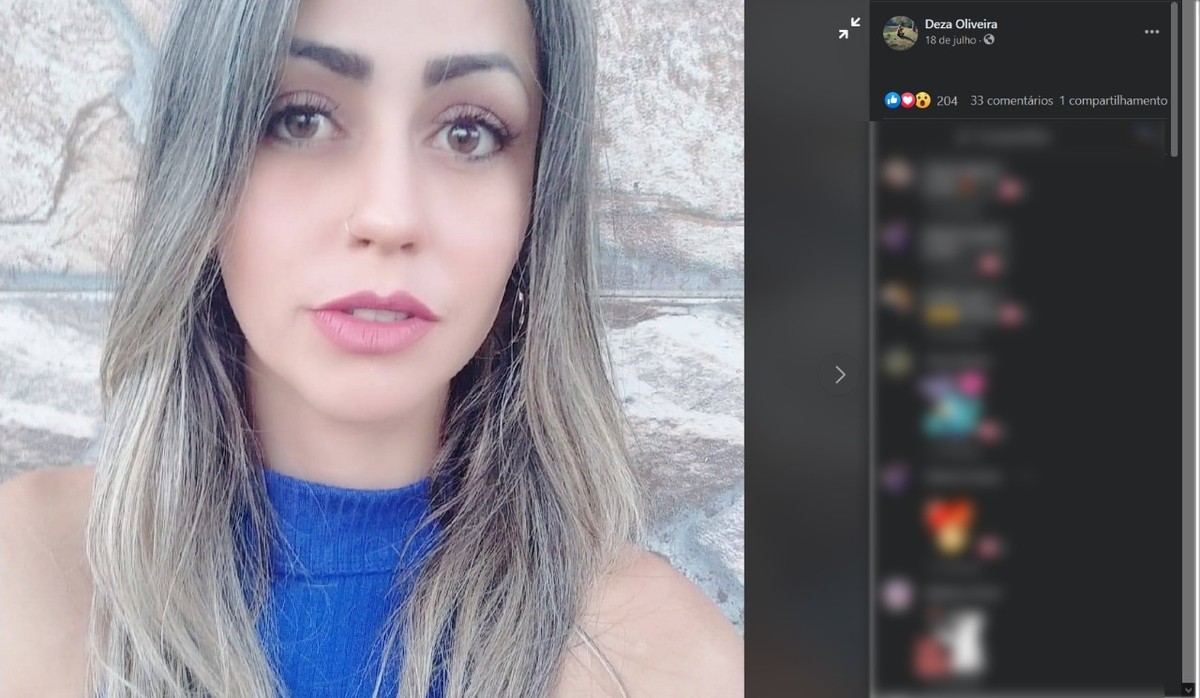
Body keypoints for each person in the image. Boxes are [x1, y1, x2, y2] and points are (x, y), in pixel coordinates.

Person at [0, 0, 744, 696]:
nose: (389, 215)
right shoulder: (27, 576)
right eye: (300, 120)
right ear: (201, 164)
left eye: (469, 133)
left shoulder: (662, 662)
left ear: (538, 199)